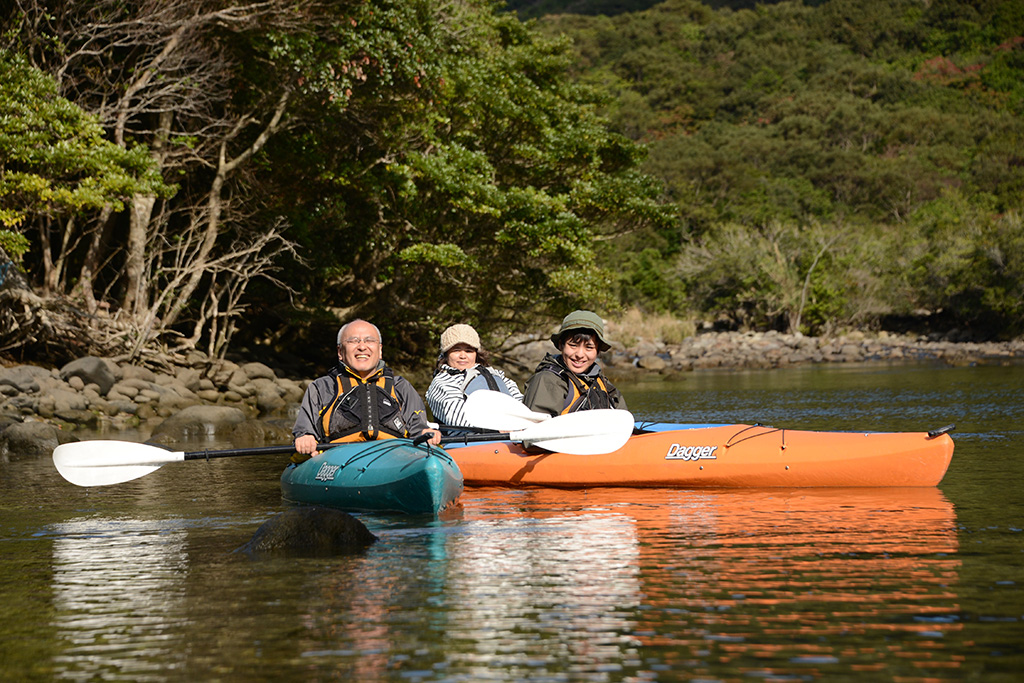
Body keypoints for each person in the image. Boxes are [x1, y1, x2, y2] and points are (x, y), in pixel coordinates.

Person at [292, 319, 441, 456]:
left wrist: (426, 433)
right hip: (338, 459)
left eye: (369, 340)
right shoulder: (321, 388)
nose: (362, 347)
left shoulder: (401, 387)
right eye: (353, 341)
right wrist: (305, 437)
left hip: (394, 457)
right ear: (340, 352)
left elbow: (418, 428)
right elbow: (304, 429)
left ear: (380, 350)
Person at [523, 310, 628, 416]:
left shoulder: (602, 383)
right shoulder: (547, 380)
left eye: (589, 347)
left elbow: (624, 418)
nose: (580, 354)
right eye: (573, 345)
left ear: (598, 350)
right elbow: (536, 427)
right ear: (561, 345)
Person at [425, 323, 524, 429]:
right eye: (456, 350)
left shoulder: (496, 375)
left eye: (469, 351)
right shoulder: (442, 381)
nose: (463, 356)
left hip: (511, 437)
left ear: (476, 354)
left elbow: (521, 404)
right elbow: (457, 417)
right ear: (446, 354)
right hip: (469, 442)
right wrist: (498, 427)